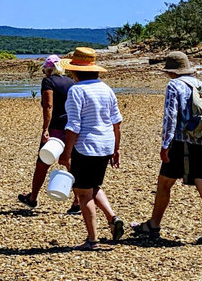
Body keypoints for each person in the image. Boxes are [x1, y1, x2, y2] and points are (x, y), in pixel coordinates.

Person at [131, 51, 202, 244]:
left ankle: (153, 225)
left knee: (164, 183)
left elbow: (170, 117)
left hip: (183, 142)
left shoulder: (174, 85)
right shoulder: (200, 83)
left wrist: (165, 145)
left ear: (171, 71)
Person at [58, 47, 125, 250]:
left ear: (75, 71)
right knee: (93, 185)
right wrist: (116, 148)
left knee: (83, 192)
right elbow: (117, 122)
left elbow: (73, 125)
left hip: (86, 146)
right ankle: (112, 218)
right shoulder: (106, 89)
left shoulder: (77, 90)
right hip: (105, 144)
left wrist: (66, 152)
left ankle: (92, 240)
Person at [18, 55, 80, 214]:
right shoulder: (71, 82)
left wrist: (45, 128)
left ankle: (32, 198)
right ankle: (77, 201)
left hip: (55, 129)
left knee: (42, 163)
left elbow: (48, 106)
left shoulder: (48, 82)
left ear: (48, 69)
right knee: (68, 161)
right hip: (70, 127)